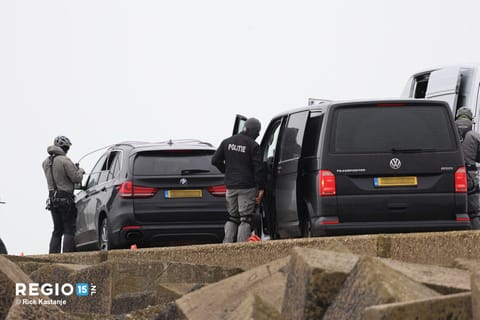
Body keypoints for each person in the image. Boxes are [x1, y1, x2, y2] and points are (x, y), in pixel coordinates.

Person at [212, 118, 266, 242]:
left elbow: (215, 160)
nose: (258, 135)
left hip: (230, 187)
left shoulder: (227, 142)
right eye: (258, 132)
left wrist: (227, 171)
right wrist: (261, 188)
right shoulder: (253, 145)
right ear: (253, 130)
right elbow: (258, 169)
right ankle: (242, 247)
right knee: (245, 219)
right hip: (247, 187)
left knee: (232, 217)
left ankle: (228, 245)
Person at [42, 136, 85, 253]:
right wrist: (80, 170)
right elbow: (76, 178)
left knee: (57, 229)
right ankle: (67, 255)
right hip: (65, 199)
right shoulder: (65, 160)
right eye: (67, 148)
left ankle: (53, 256)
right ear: (64, 148)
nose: (67, 150)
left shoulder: (45, 162)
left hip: (52, 199)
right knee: (69, 229)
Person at [455, 107, 480, 229]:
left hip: (450, 177)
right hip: (470, 178)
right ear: (470, 119)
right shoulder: (475, 136)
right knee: (474, 212)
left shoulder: (448, 133)